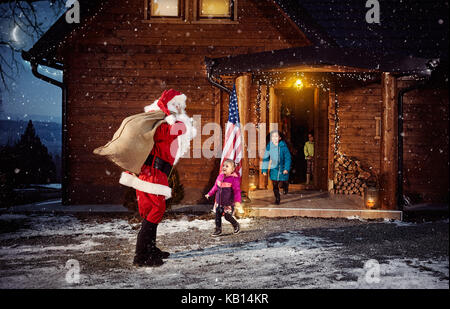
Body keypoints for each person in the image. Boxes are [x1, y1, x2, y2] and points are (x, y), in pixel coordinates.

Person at [94, 89, 196, 267]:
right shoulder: (161, 126)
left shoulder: (157, 123)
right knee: (156, 210)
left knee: (151, 212)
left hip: (148, 172)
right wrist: (178, 119)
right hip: (152, 173)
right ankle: (141, 256)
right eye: (177, 105)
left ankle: (150, 248)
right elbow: (181, 129)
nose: (181, 108)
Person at [205, 159, 242, 237]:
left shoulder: (233, 179)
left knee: (227, 216)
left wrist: (237, 201)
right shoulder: (220, 176)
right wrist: (209, 194)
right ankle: (218, 229)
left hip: (228, 203)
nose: (224, 167)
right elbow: (215, 187)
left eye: (227, 166)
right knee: (217, 216)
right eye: (223, 166)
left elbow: (237, 191)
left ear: (232, 169)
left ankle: (236, 225)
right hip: (219, 202)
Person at [261, 130, 292, 205]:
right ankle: (277, 198)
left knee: (284, 180)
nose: (274, 138)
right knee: (275, 184)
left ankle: (285, 185)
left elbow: (288, 158)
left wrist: (286, 168)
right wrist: (264, 169)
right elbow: (266, 158)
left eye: (276, 136)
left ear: (280, 138)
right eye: (273, 136)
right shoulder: (269, 147)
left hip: (283, 167)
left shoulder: (284, 147)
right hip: (274, 168)